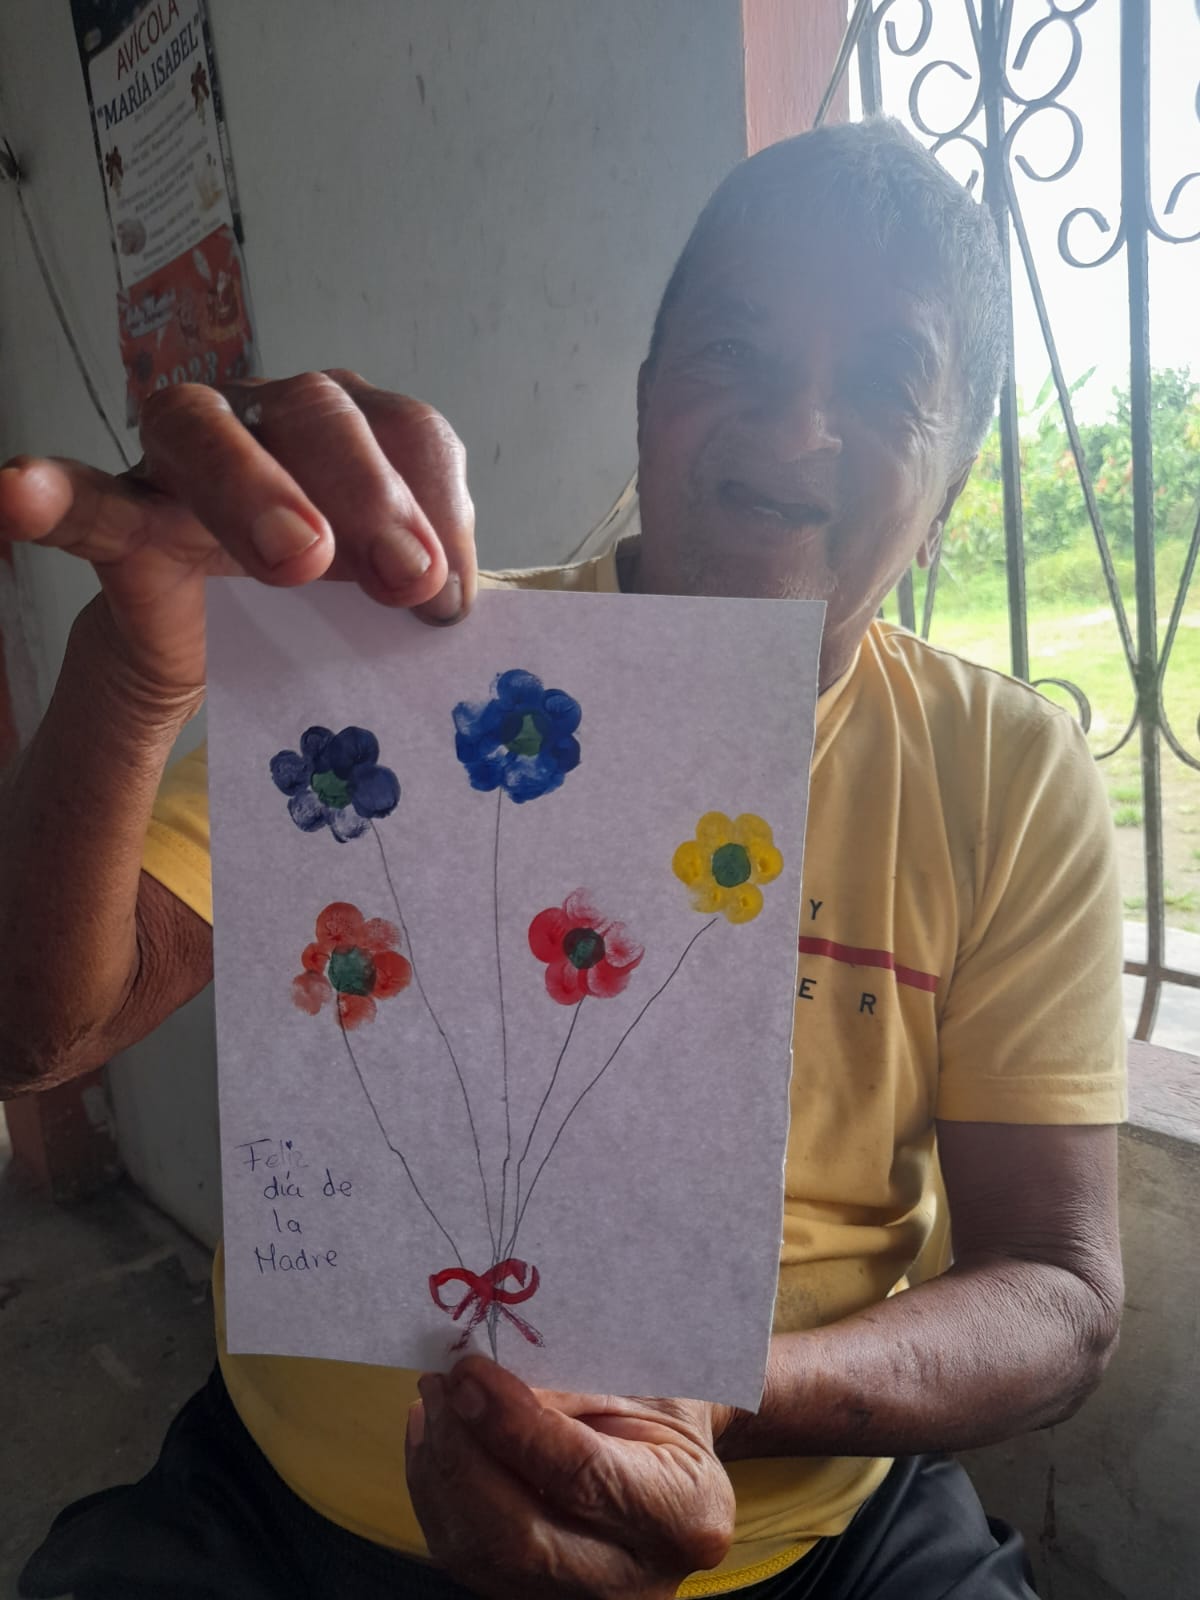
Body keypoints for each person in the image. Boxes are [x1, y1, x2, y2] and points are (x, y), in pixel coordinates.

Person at [2, 119, 1125, 1600]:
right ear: (649, 400)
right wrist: (137, 674)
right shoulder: (415, 673)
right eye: (733, 353)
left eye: (881, 386)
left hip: (806, 1534)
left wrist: (720, 1397)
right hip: (298, 1519)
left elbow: (1058, 1289)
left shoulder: (1005, 772)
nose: (796, 429)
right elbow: (39, 1033)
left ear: (956, 478)